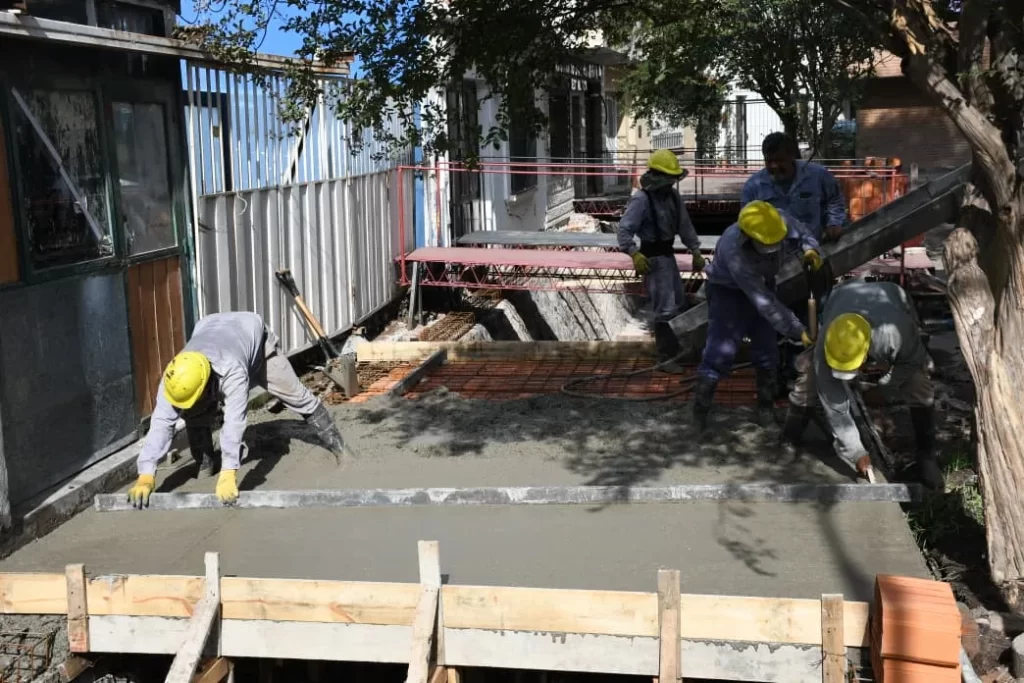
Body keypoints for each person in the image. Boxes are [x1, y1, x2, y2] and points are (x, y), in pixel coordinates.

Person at [126, 311, 348, 508]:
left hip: (255, 341)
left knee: (296, 395)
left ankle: (341, 449)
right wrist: (146, 473)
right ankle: (205, 464)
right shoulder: (174, 377)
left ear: (207, 382)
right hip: (212, 329)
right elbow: (161, 423)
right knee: (194, 409)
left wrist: (229, 471)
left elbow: (234, 420)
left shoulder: (232, 371)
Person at [780, 280, 944, 490]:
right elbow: (834, 405)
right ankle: (789, 437)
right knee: (809, 381)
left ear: (867, 350)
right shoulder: (826, 344)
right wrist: (855, 451)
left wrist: (884, 388)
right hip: (842, 296)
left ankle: (927, 456)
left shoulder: (895, 332)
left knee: (919, 383)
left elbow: (911, 362)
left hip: (893, 296)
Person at [693, 200, 822, 430]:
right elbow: (765, 303)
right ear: (747, 236)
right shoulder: (734, 250)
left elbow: (803, 233)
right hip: (728, 293)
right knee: (720, 351)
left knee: (767, 350)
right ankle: (700, 412)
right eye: (766, 244)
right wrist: (797, 330)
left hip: (764, 285)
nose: (773, 247)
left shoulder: (777, 221)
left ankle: (765, 408)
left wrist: (810, 248)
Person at [618, 149, 705, 373]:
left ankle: (677, 351)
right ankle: (665, 359)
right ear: (656, 176)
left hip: (668, 256)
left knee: (678, 303)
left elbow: (684, 226)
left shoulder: (672, 197)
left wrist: (695, 250)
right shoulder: (642, 199)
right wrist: (634, 253)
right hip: (654, 260)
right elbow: (624, 231)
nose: (671, 184)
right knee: (665, 310)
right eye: (668, 178)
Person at [741, 132, 847, 243]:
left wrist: (834, 222)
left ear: (792, 156)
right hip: (772, 251)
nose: (774, 166)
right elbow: (746, 220)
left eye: (779, 160)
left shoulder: (819, 175)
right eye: (769, 161)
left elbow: (834, 199)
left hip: (813, 247)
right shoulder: (753, 187)